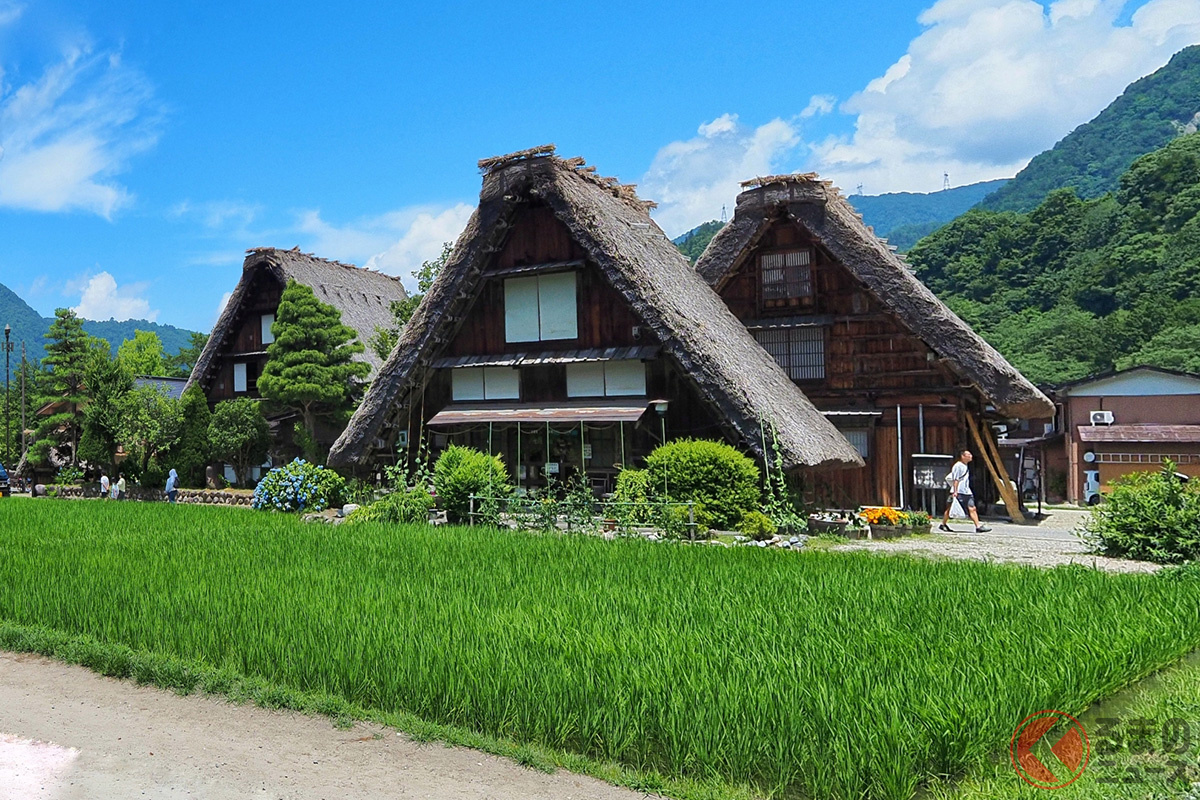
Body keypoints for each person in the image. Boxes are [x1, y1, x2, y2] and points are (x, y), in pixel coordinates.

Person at [940, 450, 991, 533]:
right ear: (963, 456)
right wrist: (955, 491)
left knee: (972, 508)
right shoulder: (958, 466)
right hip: (959, 491)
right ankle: (943, 524)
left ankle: (978, 526)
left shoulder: (965, 466)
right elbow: (956, 479)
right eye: (968, 455)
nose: (971, 456)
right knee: (950, 509)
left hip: (967, 491)